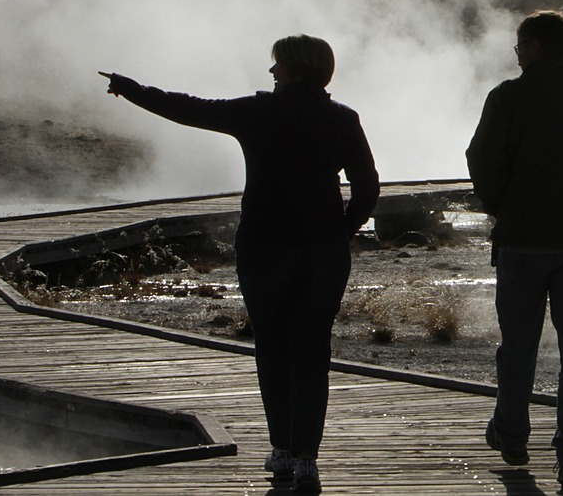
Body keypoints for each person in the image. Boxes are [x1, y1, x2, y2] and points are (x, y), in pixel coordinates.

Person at [98, 34, 379, 495]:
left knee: (271, 347)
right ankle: (308, 459)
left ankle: (283, 451)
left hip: (264, 246)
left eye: (277, 66)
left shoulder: (258, 112)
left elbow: (190, 108)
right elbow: (367, 186)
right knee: (312, 352)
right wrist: (341, 232)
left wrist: (131, 89)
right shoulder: (343, 119)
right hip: (323, 252)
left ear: (294, 69)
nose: (271, 73)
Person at [465, 10, 563, 489]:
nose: (516, 56)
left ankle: (513, 433)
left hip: (522, 242)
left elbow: (481, 158)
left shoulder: (507, 98)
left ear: (533, 47)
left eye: (518, 47)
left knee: (519, 345)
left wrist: (500, 206)